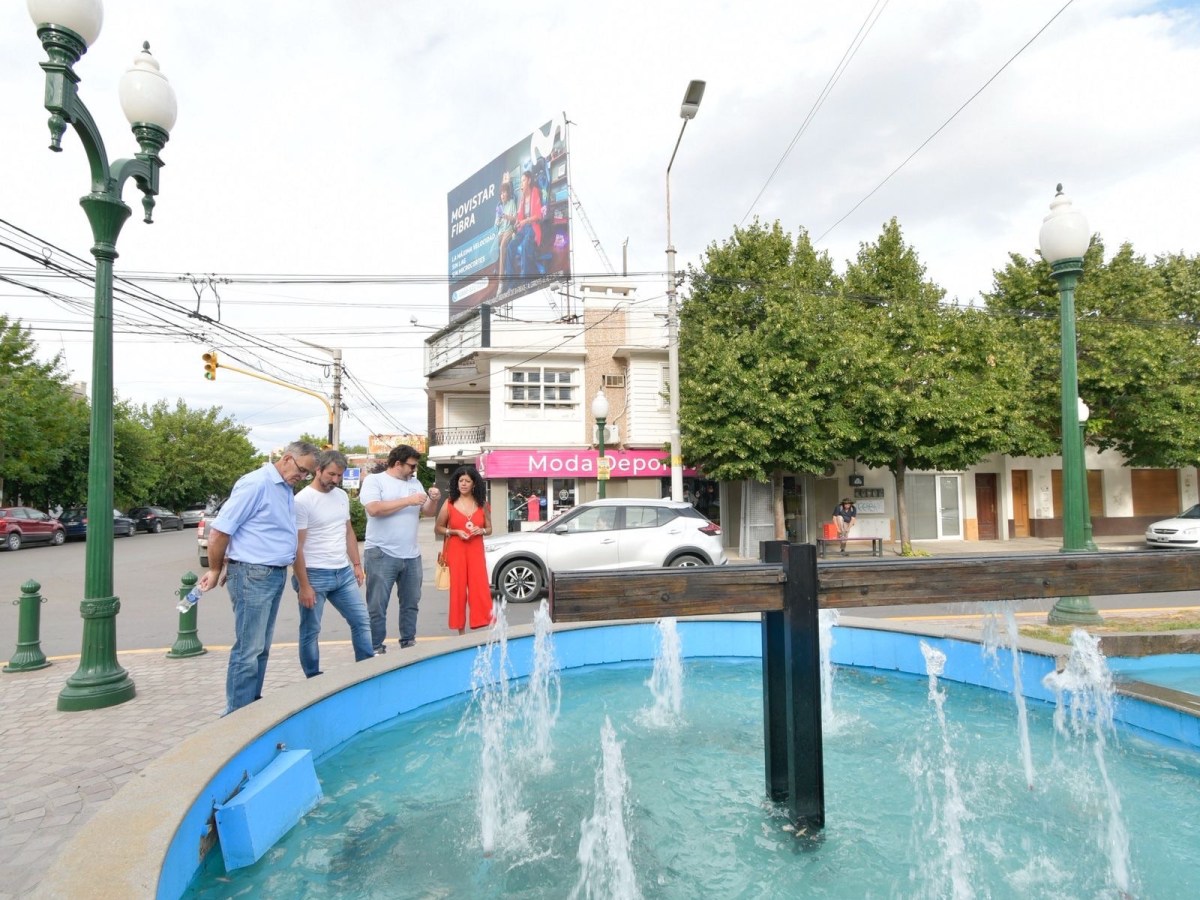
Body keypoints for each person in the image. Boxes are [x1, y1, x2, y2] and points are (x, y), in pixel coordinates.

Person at [200, 440, 320, 715]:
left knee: (261, 648)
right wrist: (216, 568)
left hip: (271, 574)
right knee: (248, 649)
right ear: (288, 458)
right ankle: (237, 715)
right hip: (253, 574)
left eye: (307, 475)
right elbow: (219, 532)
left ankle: (250, 705)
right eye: (302, 471)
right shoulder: (256, 484)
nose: (302, 478)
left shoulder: (284, 487)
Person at [293, 449, 373, 677]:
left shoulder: (342, 496)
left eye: (339, 476)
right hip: (314, 574)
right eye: (331, 475)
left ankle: (366, 671)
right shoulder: (302, 501)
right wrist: (304, 585)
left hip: (343, 572)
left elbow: (348, 531)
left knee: (361, 620)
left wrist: (356, 564)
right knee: (311, 630)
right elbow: (296, 546)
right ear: (317, 470)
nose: (335, 480)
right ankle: (313, 678)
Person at [361, 445, 440, 653]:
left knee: (411, 602)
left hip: (411, 554)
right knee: (377, 605)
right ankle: (376, 648)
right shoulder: (375, 480)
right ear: (398, 463)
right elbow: (374, 509)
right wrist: (408, 500)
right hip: (381, 552)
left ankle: (408, 643)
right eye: (411, 466)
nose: (414, 470)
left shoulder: (414, 483)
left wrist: (433, 499)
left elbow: (428, 513)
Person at [434, 465, 493, 635]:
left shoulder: (482, 504)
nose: (464, 484)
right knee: (458, 590)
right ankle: (461, 632)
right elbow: (438, 527)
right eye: (461, 481)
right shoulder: (449, 503)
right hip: (456, 550)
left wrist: (480, 530)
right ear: (456, 483)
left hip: (475, 549)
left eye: (467, 481)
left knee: (479, 588)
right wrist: (454, 532)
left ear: (474, 484)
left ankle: (483, 626)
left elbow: (489, 529)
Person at [505, 169, 543, 277]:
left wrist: (524, 221)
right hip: (523, 228)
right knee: (510, 247)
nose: (522, 183)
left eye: (524, 180)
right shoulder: (522, 198)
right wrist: (517, 222)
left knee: (526, 244)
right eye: (521, 181)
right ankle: (511, 282)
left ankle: (526, 279)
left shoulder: (535, 192)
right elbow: (520, 217)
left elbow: (538, 216)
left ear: (529, 181)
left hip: (533, 227)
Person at [495, 175, 517, 281]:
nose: (502, 195)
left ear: (508, 193)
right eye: (501, 193)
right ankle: (499, 268)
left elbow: (515, 219)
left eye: (504, 192)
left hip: (509, 230)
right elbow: (496, 225)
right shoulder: (499, 206)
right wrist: (498, 219)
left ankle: (501, 279)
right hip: (501, 232)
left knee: (502, 246)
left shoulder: (512, 203)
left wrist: (505, 216)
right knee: (492, 249)